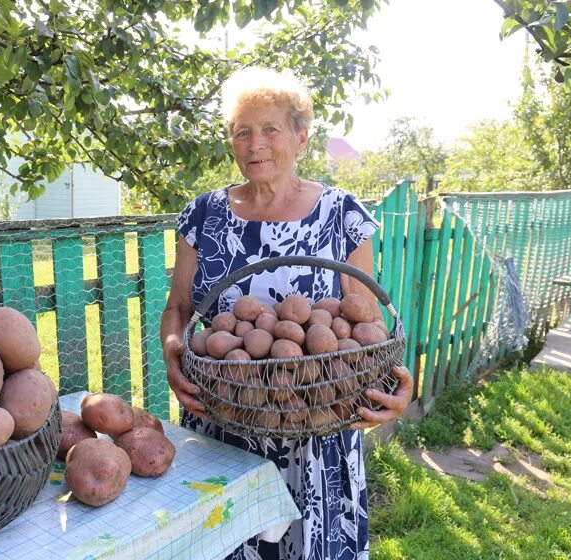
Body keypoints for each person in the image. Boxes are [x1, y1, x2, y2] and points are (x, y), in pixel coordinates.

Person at [160, 66, 413, 560]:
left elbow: (367, 324)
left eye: (270, 128)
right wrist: (173, 351)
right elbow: (179, 308)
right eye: (242, 131)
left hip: (317, 431)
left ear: (301, 136)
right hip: (226, 421)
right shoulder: (203, 216)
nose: (255, 143)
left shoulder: (341, 214)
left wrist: (392, 385)